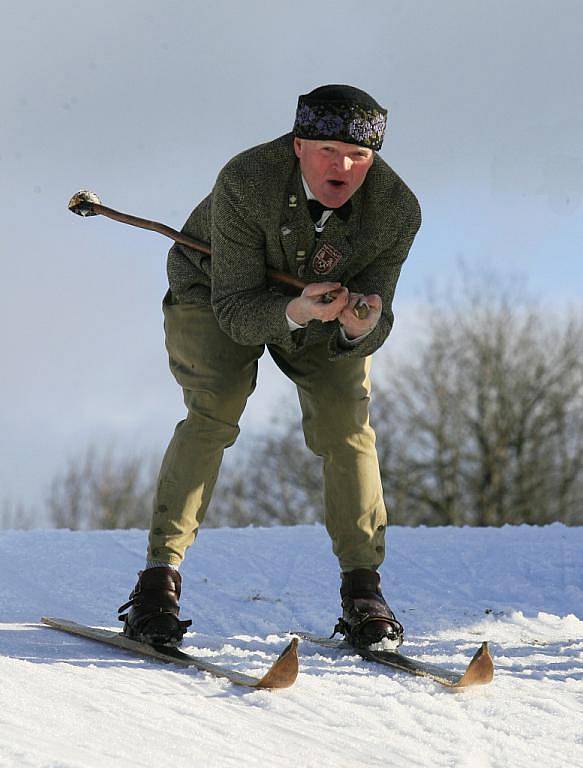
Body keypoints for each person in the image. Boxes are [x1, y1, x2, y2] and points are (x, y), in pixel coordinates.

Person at [117, 84, 421, 649]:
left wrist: (359, 328)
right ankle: (158, 581)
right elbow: (234, 311)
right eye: (329, 151)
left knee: (346, 425)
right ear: (298, 144)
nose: (343, 167)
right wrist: (295, 309)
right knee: (215, 412)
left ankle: (364, 588)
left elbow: (376, 314)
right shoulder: (246, 181)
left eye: (358, 157)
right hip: (213, 293)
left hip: (320, 310)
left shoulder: (396, 211)